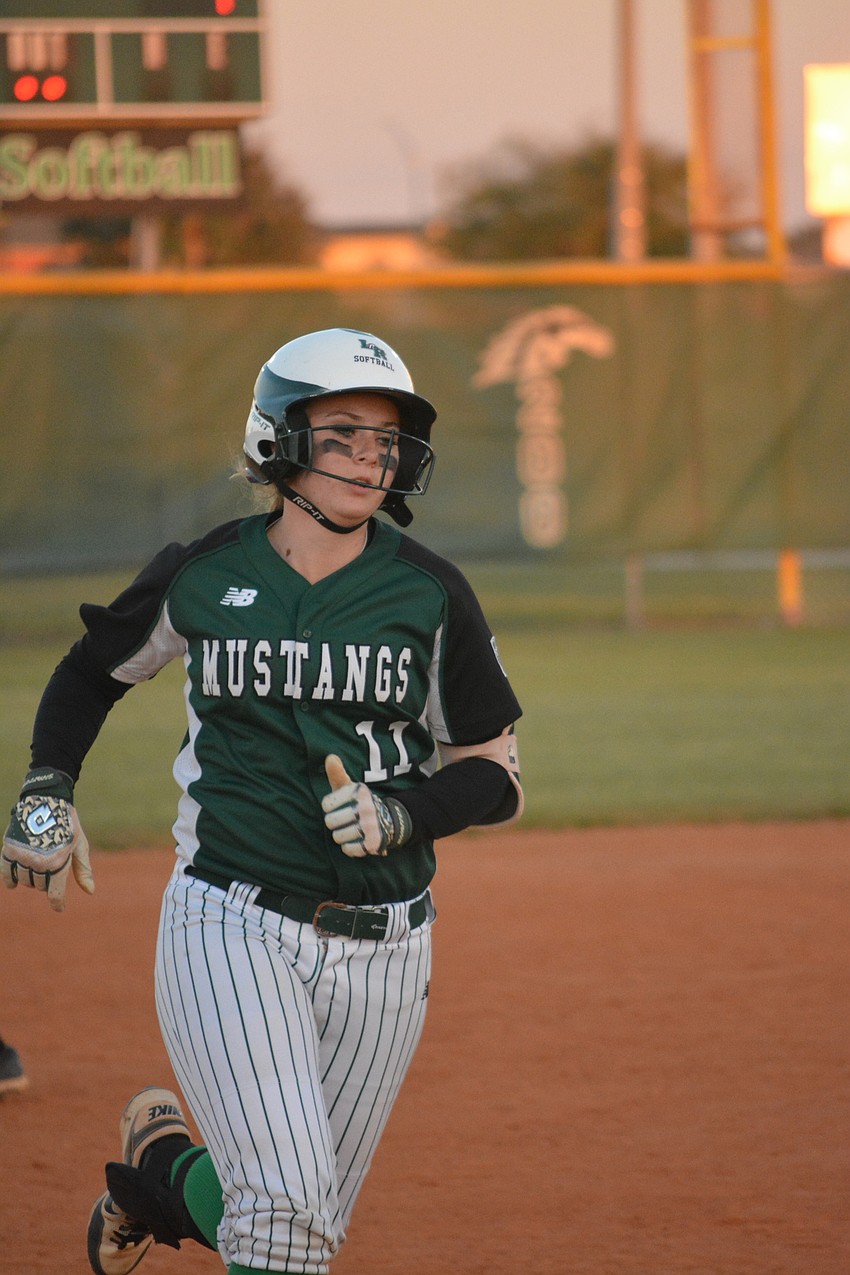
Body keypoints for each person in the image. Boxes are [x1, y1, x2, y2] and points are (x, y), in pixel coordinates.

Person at [1, 327, 523, 1275]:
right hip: (231, 919)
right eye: (345, 433)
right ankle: (182, 1179)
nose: (374, 455)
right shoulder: (208, 569)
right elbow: (87, 676)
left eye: (387, 438)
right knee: (285, 1216)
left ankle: (160, 1171)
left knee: (298, 1211)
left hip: (392, 947)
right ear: (278, 440)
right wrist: (46, 792)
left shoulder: (429, 594)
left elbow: (495, 770)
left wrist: (406, 810)